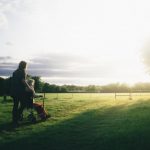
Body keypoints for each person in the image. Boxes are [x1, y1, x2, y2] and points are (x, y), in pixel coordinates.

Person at [11, 61, 32, 126]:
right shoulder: (22, 71)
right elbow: (23, 81)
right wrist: (29, 87)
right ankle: (18, 117)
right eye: (26, 65)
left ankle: (15, 120)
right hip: (20, 91)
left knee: (15, 105)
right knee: (24, 104)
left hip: (13, 91)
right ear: (24, 65)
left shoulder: (15, 72)